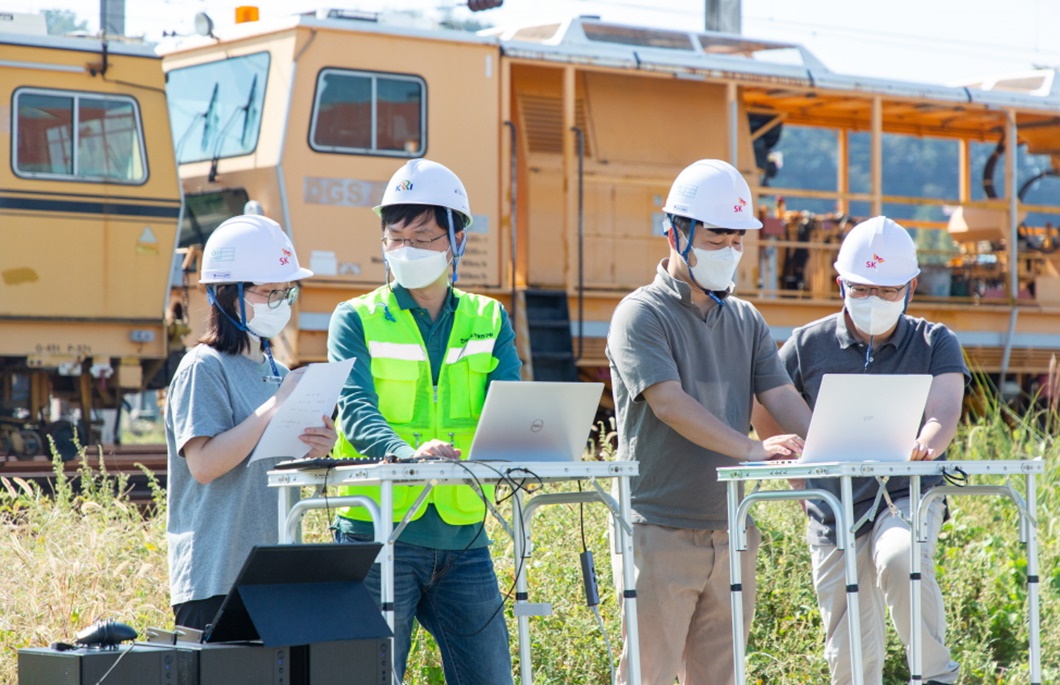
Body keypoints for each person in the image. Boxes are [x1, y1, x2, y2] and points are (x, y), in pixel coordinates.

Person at [606, 158, 812, 685]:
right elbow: (669, 403)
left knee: (720, 677)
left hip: (732, 531)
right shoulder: (640, 314)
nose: (730, 250)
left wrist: (833, 445)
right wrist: (750, 450)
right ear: (676, 233)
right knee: (646, 676)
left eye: (738, 240)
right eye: (717, 237)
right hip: (658, 528)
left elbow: (781, 395)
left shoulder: (745, 319)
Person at [328, 158, 521, 685]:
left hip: (463, 536)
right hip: (378, 534)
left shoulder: (489, 318)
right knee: (367, 678)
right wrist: (406, 454)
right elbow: (357, 408)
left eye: (425, 237)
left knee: (490, 678)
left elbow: (513, 408)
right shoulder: (356, 317)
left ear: (457, 240)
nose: (407, 251)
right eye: (396, 238)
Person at [755, 216, 966, 685]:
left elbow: (945, 408)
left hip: (906, 493)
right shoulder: (807, 345)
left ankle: (934, 675)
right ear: (841, 284)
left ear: (910, 287)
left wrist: (926, 445)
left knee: (899, 557)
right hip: (833, 508)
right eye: (863, 289)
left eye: (889, 291)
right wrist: (797, 477)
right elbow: (764, 401)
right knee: (850, 653)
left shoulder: (934, 340)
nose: (876, 301)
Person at [165, 214, 337, 631]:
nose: (280, 301)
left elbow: (275, 470)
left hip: (275, 573)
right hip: (216, 577)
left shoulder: (277, 371)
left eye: (286, 291)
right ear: (227, 295)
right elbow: (204, 466)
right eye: (270, 291)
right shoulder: (202, 368)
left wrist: (318, 448)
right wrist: (273, 408)